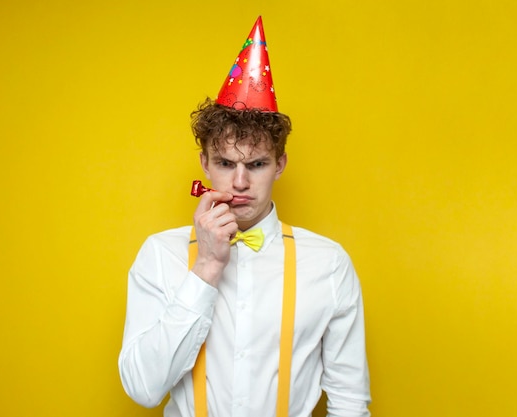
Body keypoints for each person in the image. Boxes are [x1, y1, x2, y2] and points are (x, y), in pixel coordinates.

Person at [118, 16, 371, 417]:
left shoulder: (328, 263)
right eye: (224, 162)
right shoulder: (160, 255)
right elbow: (143, 389)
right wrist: (206, 266)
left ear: (280, 164)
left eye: (255, 164)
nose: (239, 182)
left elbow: (349, 399)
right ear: (204, 163)